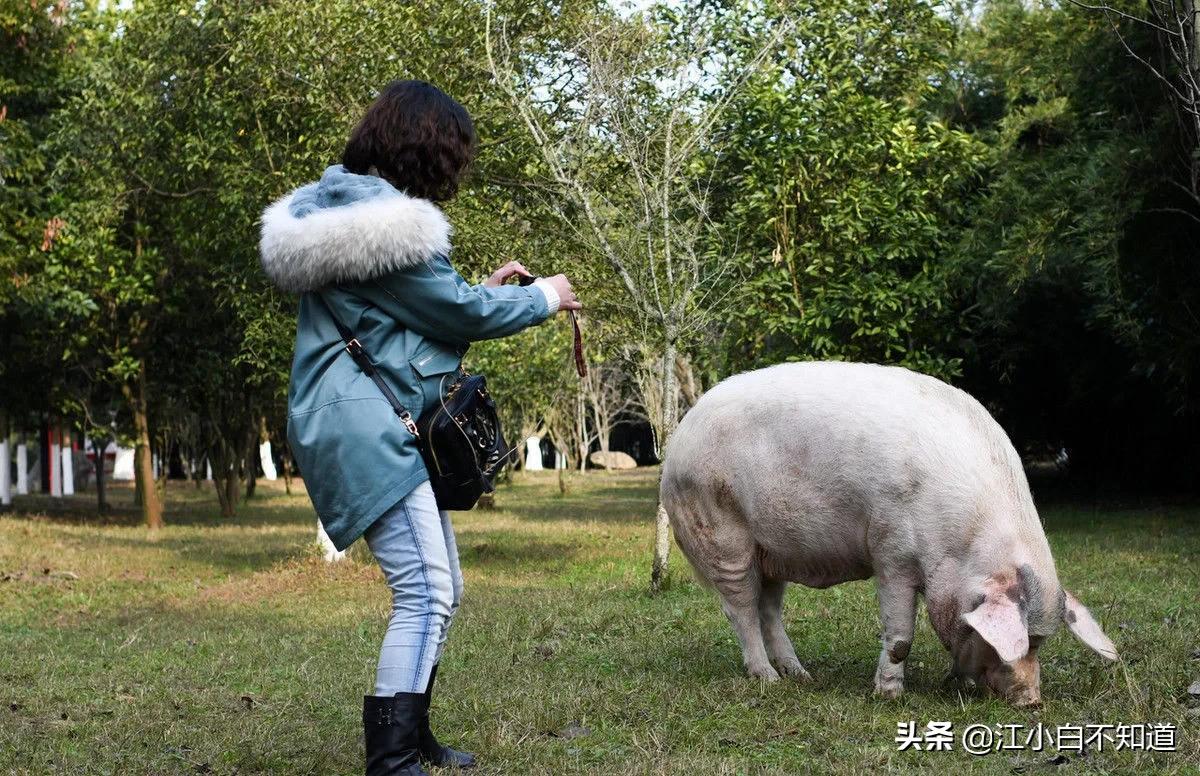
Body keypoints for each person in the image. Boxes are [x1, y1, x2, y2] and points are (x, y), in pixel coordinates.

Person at [259, 79, 579, 776]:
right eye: (454, 156)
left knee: (444, 587)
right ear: (428, 150)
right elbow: (455, 317)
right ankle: (392, 756)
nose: (454, 173)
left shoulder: (345, 213)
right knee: (426, 590)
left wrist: (483, 293)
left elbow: (412, 322)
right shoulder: (390, 228)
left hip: (358, 421)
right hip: (365, 430)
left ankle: (413, 734)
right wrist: (542, 297)